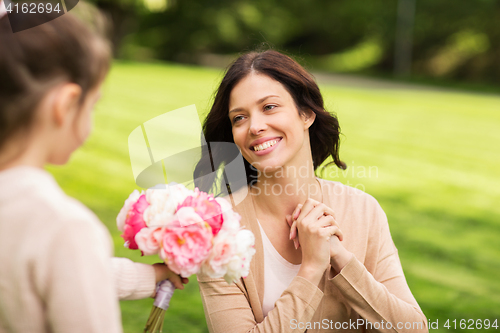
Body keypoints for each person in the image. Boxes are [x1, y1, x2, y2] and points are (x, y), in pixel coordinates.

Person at [194, 50, 428, 332]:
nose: (255, 127)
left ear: (306, 114)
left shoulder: (363, 211)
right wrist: (312, 269)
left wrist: (340, 257)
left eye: (269, 107)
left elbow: (414, 328)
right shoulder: (216, 227)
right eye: (239, 118)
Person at [0, 13, 187, 333]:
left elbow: (66, 273)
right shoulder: (63, 226)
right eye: (93, 104)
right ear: (66, 104)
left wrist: (151, 276)